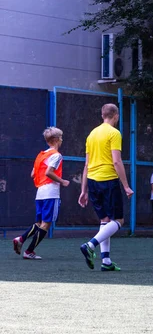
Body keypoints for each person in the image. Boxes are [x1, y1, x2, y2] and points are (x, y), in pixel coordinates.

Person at [78, 103, 134, 271]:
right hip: (108, 179)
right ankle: (90, 245)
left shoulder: (91, 134)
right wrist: (126, 186)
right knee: (119, 220)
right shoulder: (114, 133)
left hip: (93, 181)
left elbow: (87, 164)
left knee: (105, 220)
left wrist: (83, 190)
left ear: (103, 115)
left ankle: (106, 261)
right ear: (115, 116)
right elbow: (116, 161)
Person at [13, 127, 69, 260]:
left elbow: (33, 174)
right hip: (51, 192)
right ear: (55, 140)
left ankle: (21, 239)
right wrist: (62, 181)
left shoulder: (41, 155)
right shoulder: (56, 155)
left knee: (39, 223)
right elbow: (48, 172)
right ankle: (29, 251)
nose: (61, 140)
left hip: (40, 192)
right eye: (60, 138)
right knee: (46, 224)